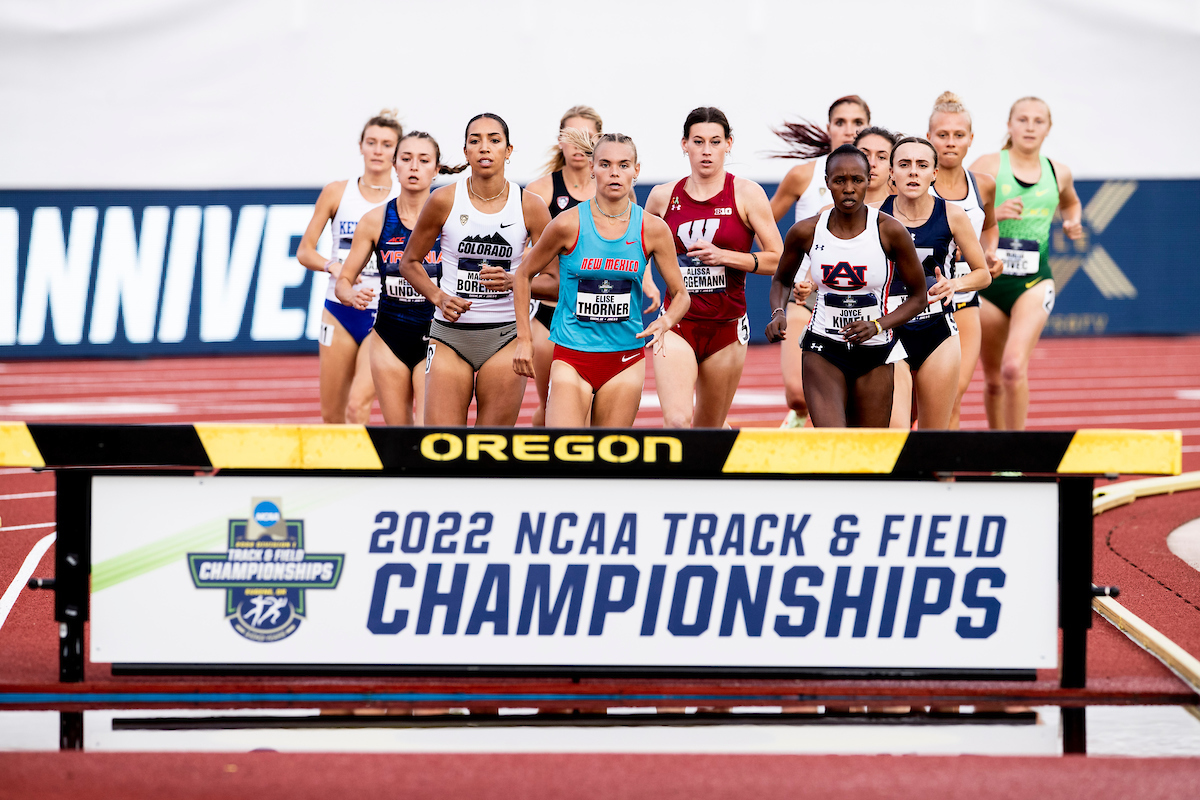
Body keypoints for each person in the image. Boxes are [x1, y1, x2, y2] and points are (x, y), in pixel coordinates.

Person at [513, 133, 688, 427]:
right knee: (564, 452)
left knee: (609, 462)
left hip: (624, 358)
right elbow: (523, 274)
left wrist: (666, 322)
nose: (615, 173)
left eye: (623, 165)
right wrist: (524, 339)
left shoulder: (653, 228)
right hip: (572, 355)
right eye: (606, 164)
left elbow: (681, 294)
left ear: (637, 170)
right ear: (592, 167)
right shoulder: (567, 223)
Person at [397, 113, 553, 426]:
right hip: (449, 335)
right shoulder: (443, 200)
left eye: (494, 140)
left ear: (508, 151)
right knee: (442, 444)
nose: (485, 147)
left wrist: (514, 281)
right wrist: (439, 297)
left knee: (489, 449)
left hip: (506, 336)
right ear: (466, 151)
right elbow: (409, 263)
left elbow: (557, 282)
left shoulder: (530, 205)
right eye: (475, 141)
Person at [765, 145, 926, 428]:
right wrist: (779, 311)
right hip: (823, 348)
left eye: (857, 180)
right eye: (840, 181)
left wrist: (878, 325)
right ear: (827, 182)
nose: (849, 188)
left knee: (865, 452)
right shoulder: (806, 230)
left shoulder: (890, 231)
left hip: (875, 350)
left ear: (868, 181)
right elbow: (781, 279)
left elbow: (918, 297)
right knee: (834, 444)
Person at [644, 107, 783, 429]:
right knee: (678, 422)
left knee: (708, 431)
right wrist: (648, 279)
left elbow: (778, 258)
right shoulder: (662, 197)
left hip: (727, 328)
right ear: (684, 145)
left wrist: (726, 257)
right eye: (698, 141)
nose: (706, 150)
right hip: (677, 321)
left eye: (715, 141)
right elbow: (636, 249)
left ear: (728, 144)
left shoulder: (747, 194)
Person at [335, 132, 464, 425]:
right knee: (399, 433)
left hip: (437, 336)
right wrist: (350, 294)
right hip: (388, 336)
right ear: (395, 165)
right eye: (406, 159)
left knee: (426, 427)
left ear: (436, 168)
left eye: (423, 160)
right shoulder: (375, 220)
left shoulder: (451, 220)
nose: (414, 167)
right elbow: (343, 281)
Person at [971, 97, 1083, 430]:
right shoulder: (988, 165)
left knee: (1013, 368)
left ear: (1048, 128)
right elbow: (958, 213)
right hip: (989, 283)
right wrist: (993, 215)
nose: (1030, 126)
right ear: (1009, 125)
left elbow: (1072, 203)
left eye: (1038, 121)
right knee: (992, 380)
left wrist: (1072, 221)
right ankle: (998, 450)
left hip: (1034, 282)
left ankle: (1015, 454)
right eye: (1023, 119)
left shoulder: (1058, 172)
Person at [769, 96, 871, 428]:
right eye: (840, 122)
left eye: (857, 123)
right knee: (798, 394)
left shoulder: (879, 178)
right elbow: (763, 222)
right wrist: (781, 263)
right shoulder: (804, 175)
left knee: (852, 395)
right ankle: (799, 418)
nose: (849, 129)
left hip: (860, 299)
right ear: (828, 128)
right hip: (806, 296)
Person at [879, 137, 991, 430]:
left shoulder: (952, 215)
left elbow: (983, 273)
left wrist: (955, 284)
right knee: (896, 431)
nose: (913, 172)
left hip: (937, 331)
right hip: (890, 331)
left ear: (934, 174)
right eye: (904, 164)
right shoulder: (874, 216)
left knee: (933, 439)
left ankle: (936, 477)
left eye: (922, 165)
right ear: (891, 172)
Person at [297, 110, 401, 423]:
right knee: (332, 416)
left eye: (386, 144)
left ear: (397, 151)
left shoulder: (404, 197)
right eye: (372, 142)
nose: (378, 150)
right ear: (361, 146)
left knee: (358, 406)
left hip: (383, 313)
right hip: (338, 310)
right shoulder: (338, 192)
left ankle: (360, 472)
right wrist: (334, 267)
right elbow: (304, 251)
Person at [927, 92, 1000, 430]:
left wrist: (989, 253)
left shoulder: (983, 185)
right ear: (929, 138)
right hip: (919, 302)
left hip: (965, 300)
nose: (951, 142)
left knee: (952, 395)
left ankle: (944, 476)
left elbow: (990, 226)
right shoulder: (914, 185)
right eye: (943, 135)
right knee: (915, 398)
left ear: (971, 139)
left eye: (959, 135)